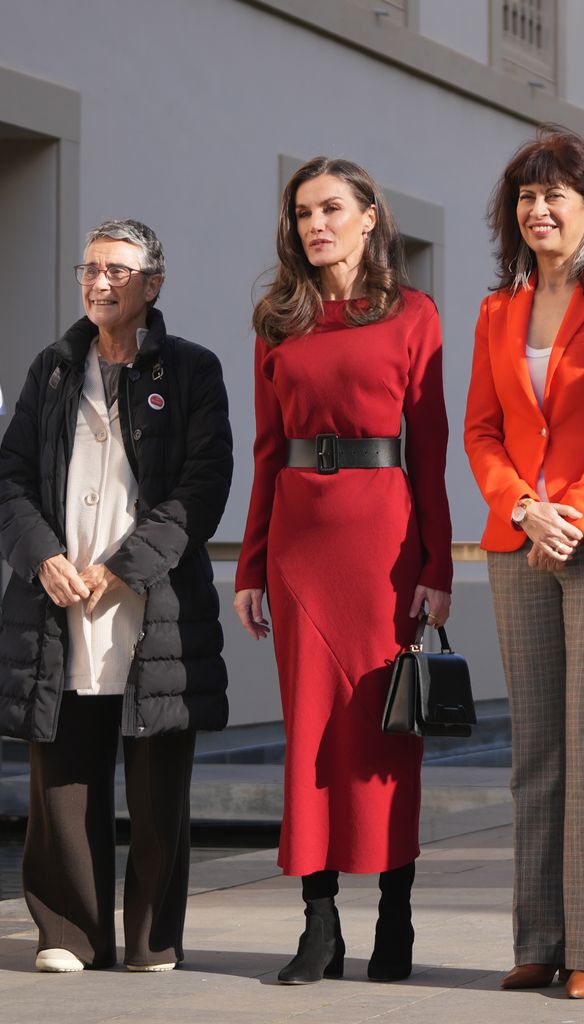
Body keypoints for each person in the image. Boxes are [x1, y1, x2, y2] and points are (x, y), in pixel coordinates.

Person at [234, 157, 452, 985]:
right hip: (297, 545)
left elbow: (427, 452)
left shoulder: (413, 315)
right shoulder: (277, 320)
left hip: (384, 546)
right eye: (300, 213)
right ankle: (318, 924)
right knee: (310, 735)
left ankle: (394, 914)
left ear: (369, 218)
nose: (313, 224)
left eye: (330, 209)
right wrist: (250, 562)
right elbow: (263, 452)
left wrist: (437, 563)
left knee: (386, 734)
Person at [0, 219, 233, 973]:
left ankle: (151, 941)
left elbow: (205, 487)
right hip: (57, 600)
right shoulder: (54, 369)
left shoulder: (192, 370)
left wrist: (128, 567)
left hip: (151, 605)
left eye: (119, 271)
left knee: (159, 783)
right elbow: (10, 479)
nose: (101, 282)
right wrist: (42, 557)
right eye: (90, 268)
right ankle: (69, 933)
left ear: (153, 285)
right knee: (62, 777)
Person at [464, 127, 584, 1000]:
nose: (537, 209)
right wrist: (518, 505)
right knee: (536, 749)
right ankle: (538, 937)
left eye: (554, 194)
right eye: (524, 196)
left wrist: (571, 512)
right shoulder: (495, 310)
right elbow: (479, 428)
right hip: (516, 541)